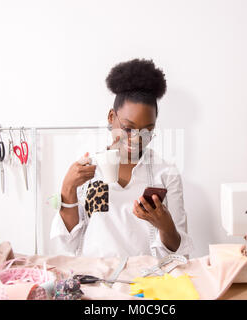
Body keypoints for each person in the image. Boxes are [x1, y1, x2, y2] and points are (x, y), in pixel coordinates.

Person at [50, 58, 193, 258]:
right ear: (111, 117)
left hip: (145, 281)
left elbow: (179, 254)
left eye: (147, 131)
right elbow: (68, 244)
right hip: (96, 278)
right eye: (128, 128)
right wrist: (68, 188)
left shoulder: (166, 173)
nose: (136, 138)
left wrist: (166, 227)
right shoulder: (87, 169)